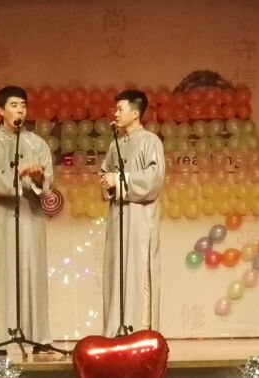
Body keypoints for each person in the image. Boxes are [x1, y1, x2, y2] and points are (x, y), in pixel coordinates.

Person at [0, 85, 53, 351]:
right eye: (14, 105)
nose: (20, 110)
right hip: (1, 216)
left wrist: (38, 179)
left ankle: (39, 338)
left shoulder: (37, 143)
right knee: (1, 276)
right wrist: (16, 176)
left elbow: (47, 184)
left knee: (33, 273)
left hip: (30, 215)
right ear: (1, 110)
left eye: (23, 105)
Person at [99, 89, 166, 336]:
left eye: (120, 109)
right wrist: (108, 183)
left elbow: (153, 179)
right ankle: (116, 331)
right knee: (116, 272)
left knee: (138, 272)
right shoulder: (114, 145)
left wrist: (120, 179)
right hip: (118, 217)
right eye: (115, 109)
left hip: (140, 218)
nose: (116, 114)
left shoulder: (150, 141)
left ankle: (140, 332)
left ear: (136, 113)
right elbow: (105, 174)